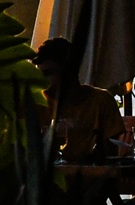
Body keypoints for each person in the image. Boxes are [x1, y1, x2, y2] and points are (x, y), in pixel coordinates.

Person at [36, 36, 124, 164]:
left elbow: (108, 157)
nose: (41, 81)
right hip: (49, 183)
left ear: (70, 70)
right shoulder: (38, 104)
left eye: (48, 73)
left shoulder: (101, 101)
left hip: (91, 181)